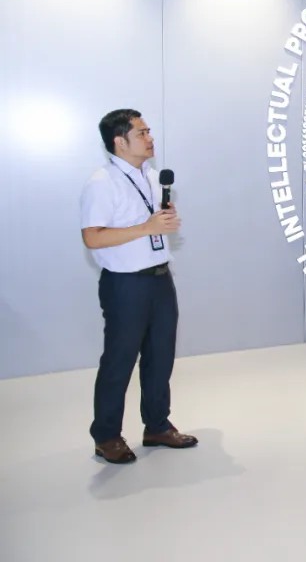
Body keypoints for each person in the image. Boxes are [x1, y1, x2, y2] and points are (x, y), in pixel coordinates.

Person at [80, 109, 197, 464]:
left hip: (160, 279)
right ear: (120, 141)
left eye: (149, 131)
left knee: (160, 357)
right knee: (119, 360)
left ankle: (157, 426)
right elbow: (93, 238)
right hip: (125, 285)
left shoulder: (151, 176)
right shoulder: (102, 182)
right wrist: (147, 228)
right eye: (142, 133)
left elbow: (151, 224)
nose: (150, 138)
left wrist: (162, 222)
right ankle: (107, 436)